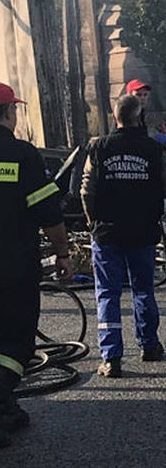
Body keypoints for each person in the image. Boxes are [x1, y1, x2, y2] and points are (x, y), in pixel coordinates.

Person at [81, 94, 166, 377]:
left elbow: (86, 190)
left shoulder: (98, 148)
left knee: (107, 294)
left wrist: (92, 222)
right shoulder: (153, 150)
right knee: (143, 289)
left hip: (107, 233)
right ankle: (149, 345)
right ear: (139, 117)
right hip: (142, 232)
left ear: (115, 117)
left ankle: (111, 358)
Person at [0, 82, 73, 447]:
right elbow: (47, 211)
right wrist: (63, 251)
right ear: (8, 113)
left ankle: (6, 406)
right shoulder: (21, 155)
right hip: (13, 268)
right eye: (15, 109)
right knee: (15, 342)